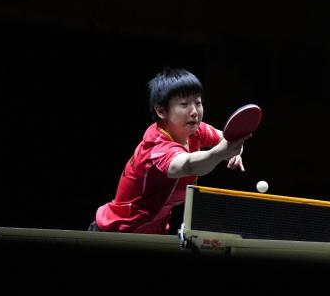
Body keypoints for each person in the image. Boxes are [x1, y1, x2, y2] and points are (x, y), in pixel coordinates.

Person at [92, 68, 247, 234]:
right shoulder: (156, 148)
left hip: (153, 234)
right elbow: (189, 165)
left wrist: (234, 150)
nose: (194, 112)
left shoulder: (194, 130)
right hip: (115, 234)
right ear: (161, 111)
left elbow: (227, 139)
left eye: (198, 103)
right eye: (184, 104)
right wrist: (221, 153)